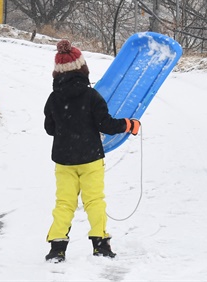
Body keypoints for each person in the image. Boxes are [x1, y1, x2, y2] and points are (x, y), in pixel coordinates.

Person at [43, 39, 141, 263]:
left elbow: (49, 129)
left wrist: (65, 126)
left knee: (64, 203)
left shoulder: (53, 98)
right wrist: (129, 125)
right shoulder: (92, 96)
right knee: (94, 201)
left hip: (64, 161)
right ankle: (100, 245)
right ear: (82, 68)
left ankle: (57, 248)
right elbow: (105, 124)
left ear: (57, 72)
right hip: (90, 159)